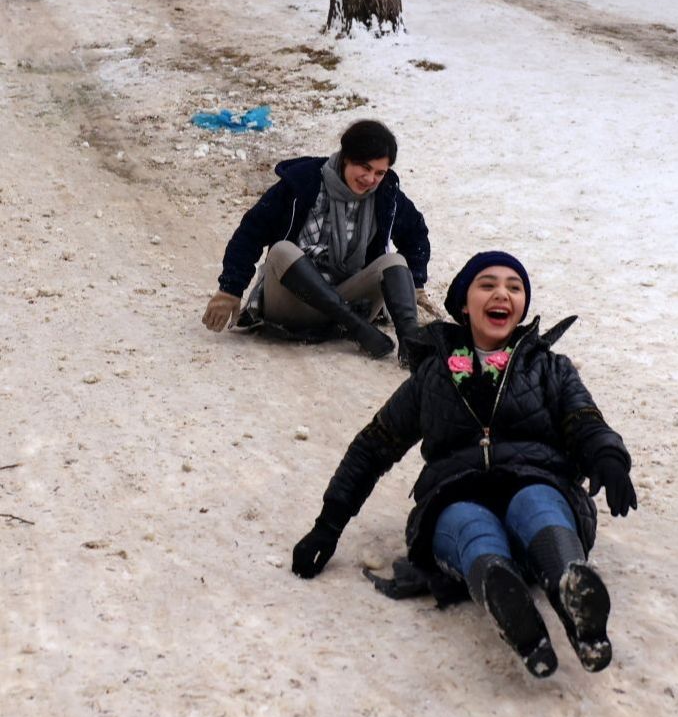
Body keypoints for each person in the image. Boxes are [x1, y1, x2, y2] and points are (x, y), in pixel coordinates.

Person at [292, 251, 637, 678]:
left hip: (538, 480)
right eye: (488, 284)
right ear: (463, 304)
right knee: (465, 520)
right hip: (453, 492)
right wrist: (329, 522)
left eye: (515, 287)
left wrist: (608, 457)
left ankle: (571, 584)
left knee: (536, 503)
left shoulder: (548, 368)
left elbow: (583, 419)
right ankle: (507, 601)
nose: (502, 294)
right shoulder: (433, 376)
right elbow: (375, 445)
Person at [202, 120, 434, 364]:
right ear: (346, 157)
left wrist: (414, 283)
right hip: (291, 304)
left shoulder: (386, 196)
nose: (370, 179)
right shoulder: (304, 183)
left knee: (394, 260)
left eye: (380, 172)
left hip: (347, 297)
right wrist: (230, 289)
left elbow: (415, 233)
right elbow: (251, 231)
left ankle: (411, 344)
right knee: (282, 251)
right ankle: (355, 328)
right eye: (364, 167)